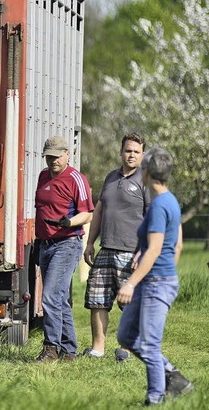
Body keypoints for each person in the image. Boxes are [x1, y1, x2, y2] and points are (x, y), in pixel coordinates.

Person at [117, 147, 193, 405]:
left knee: (149, 345)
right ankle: (173, 376)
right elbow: (178, 245)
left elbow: (157, 248)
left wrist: (131, 282)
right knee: (126, 336)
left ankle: (155, 398)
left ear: (146, 173)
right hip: (156, 279)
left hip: (155, 283)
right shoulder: (170, 200)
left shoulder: (160, 205)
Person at [82, 133, 148, 361]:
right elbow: (99, 210)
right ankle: (97, 349)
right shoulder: (110, 178)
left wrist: (144, 251)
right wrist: (90, 242)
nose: (131, 155)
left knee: (129, 303)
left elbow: (152, 218)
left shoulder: (146, 180)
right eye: (128, 150)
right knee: (97, 300)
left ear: (142, 155)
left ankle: (126, 350)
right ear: (121, 152)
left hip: (131, 252)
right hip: (105, 248)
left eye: (136, 152)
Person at [34, 135, 94, 362]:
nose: (53, 161)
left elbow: (88, 213)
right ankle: (69, 350)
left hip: (67, 244)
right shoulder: (43, 176)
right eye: (49, 157)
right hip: (46, 245)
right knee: (59, 298)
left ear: (67, 154)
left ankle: (51, 348)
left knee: (49, 296)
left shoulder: (76, 178)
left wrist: (68, 222)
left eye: (57, 157)